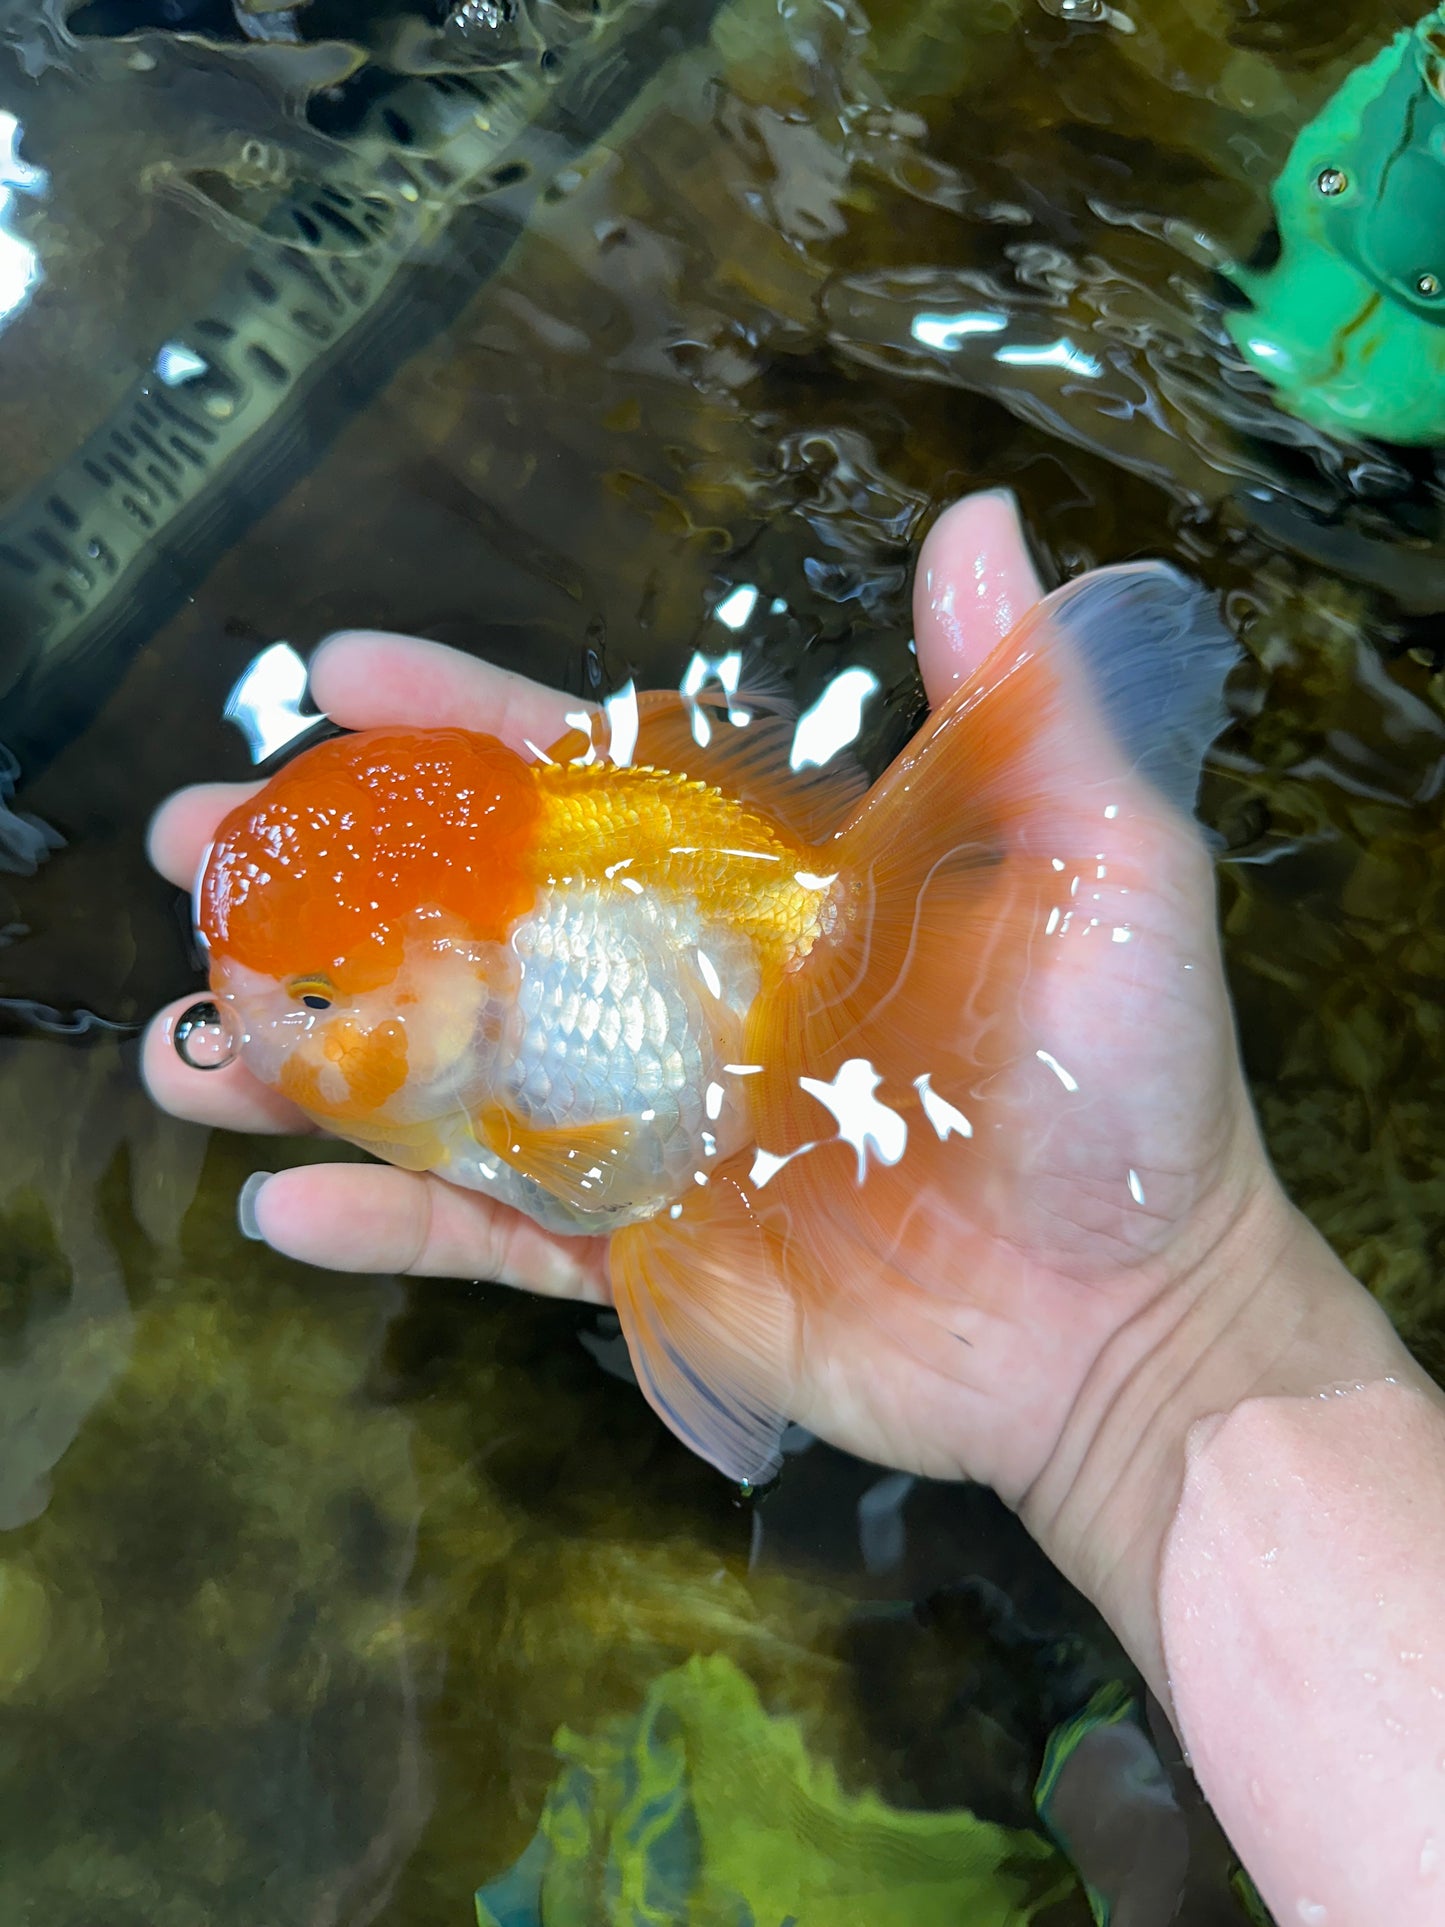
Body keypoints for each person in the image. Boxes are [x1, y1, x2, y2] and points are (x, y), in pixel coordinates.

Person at [143, 490, 1445, 1924]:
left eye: (315, 1000)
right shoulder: (456, 1015)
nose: (266, 1029)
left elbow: (608, 1168)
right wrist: (1171, 1353)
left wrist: (1169, 1327)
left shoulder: (521, 1039)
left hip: (748, 990)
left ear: (438, 983)